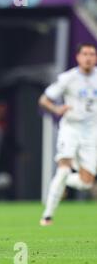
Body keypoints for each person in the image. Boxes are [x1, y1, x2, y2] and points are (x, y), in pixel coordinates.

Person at [39, 43, 97, 226]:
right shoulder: (68, 78)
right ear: (78, 57)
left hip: (92, 132)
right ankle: (47, 216)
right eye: (85, 54)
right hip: (71, 128)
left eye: (92, 54)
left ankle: (62, 182)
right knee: (64, 167)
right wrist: (56, 108)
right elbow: (44, 99)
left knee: (87, 183)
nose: (88, 57)